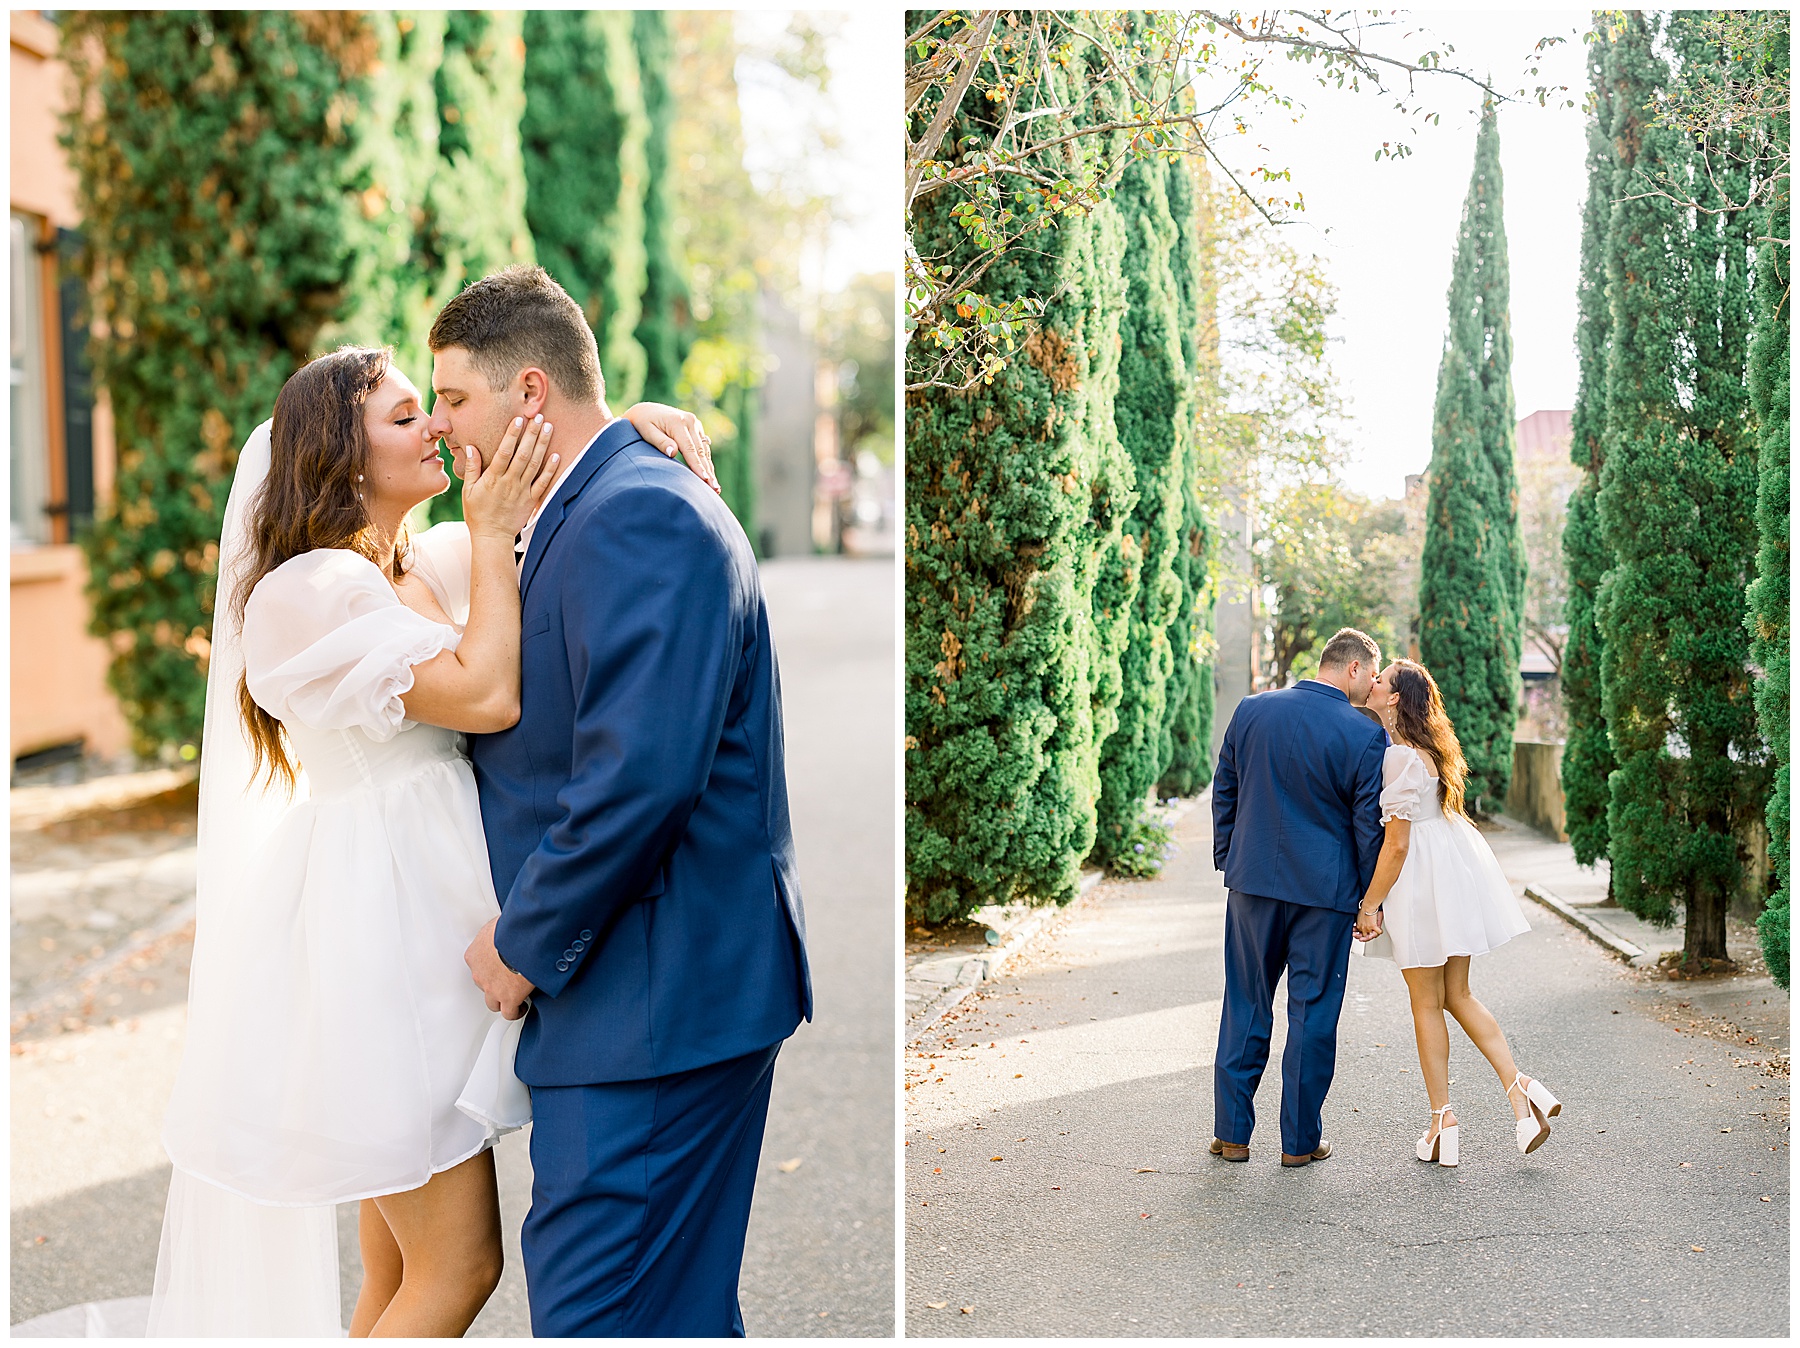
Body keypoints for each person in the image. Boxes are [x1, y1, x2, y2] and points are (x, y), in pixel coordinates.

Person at [146, 339, 716, 1336]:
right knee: (458, 1267)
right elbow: (489, 694)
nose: (437, 427)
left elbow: (553, 508)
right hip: (380, 945)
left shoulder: (421, 560)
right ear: (341, 452)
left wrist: (625, 421)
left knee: (393, 1269)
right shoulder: (310, 593)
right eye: (407, 415)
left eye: (432, 407)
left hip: (419, 929)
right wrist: (489, 539)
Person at [434, 266, 812, 1337]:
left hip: (655, 1001)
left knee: (603, 1312)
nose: (445, 428)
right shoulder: (587, 501)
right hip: (643, 997)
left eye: (454, 400)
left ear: (531, 397)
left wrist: (523, 938)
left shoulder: (638, 513)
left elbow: (640, 775)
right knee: (665, 1311)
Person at [1354, 659, 1560, 1167]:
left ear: (1396, 698)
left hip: (1421, 884)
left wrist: (1369, 904)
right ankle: (1521, 1091)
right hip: (1450, 875)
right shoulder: (1427, 752)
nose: (1372, 682)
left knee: (1426, 1002)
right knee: (1457, 994)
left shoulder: (1399, 757)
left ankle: (1442, 1120)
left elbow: (1397, 846)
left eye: (1381, 680)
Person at [1209, 627, 1388, 1167]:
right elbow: (1367, 828)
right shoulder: (1364, 735)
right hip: (1325, 895)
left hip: (1253, 883)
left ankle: (1233, 1135)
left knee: (1245, 1002)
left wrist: (1230, 857)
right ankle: (1299, 1142)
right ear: (1353, 668)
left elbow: (1226, 789)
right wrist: (1366, 900)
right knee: (1313, 1015)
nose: (1370, 687)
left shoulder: (1251, 710)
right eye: (1370, 674)